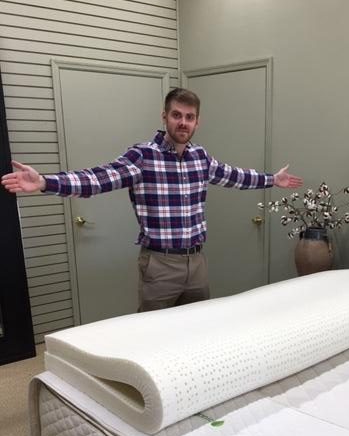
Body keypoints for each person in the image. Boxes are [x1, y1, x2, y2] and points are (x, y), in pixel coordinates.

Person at [1, 87, 303, 311]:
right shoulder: (143, 156)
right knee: (152, 335)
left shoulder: (200, 157)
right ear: (165, 117)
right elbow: (97, 179)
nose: (183, 122)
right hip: (160, 264)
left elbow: (233, 176)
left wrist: (271, 179)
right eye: (177, 115)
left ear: (197, 122)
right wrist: (45, 182)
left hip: (197, 262)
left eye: (189, 117)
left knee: (199, 328)